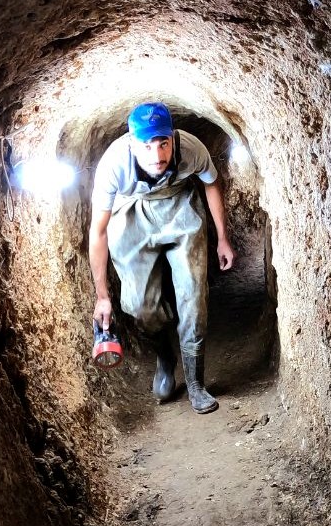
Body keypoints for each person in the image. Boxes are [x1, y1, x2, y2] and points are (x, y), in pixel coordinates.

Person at [89, 102, 235, 413]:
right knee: (141, 306)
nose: (157, 156)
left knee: (194, 296)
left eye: (163, 143)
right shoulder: (115, 165)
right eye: (147, 145)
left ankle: (196, 382)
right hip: (132, 213)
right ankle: (165, 356)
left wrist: (222, 238)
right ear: (132, 143)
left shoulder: (190, 148)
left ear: (172, 137)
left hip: (180, 206)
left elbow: (211, 184)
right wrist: (102, 296)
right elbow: (98, 231)